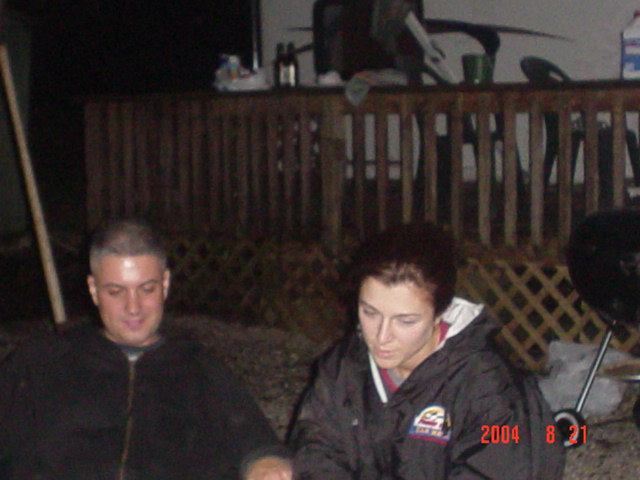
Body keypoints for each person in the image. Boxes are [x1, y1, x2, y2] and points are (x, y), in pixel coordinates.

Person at [0, 218, 292, 480]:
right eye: (116, 291)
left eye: (147, 289)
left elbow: (256, 442)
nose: (133, 307)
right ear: (93, 290)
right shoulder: (42, 362)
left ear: (165, 283)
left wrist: (264, 462)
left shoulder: (199, 368)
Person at [289, 222, 565, 479]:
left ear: (439, 313)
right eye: (370, 312)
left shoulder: (486, 384)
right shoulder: (344, 366)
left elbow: (498, 470)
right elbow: (316, 451)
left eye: (406, 321)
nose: (382, 336)